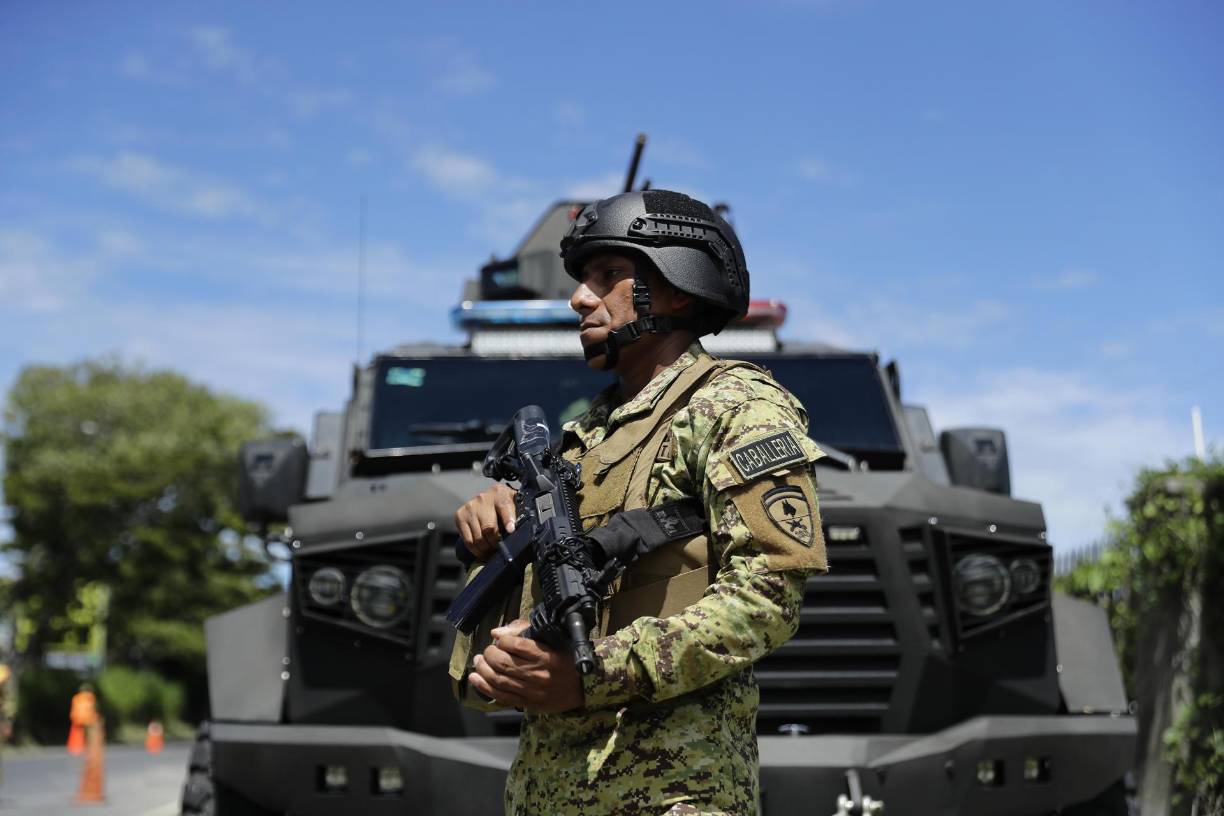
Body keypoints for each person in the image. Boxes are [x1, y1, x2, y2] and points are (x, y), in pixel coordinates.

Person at [451, 190, 828, 816]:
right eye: (583, 279)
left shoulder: (736, 407)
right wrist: (494, 540)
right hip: (547, 794)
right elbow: (516, 650)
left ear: (676, 288)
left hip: (674, 795)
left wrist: (593, 674)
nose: (579, 298)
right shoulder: (579, 443)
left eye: (608, 275)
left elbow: (767, 599)